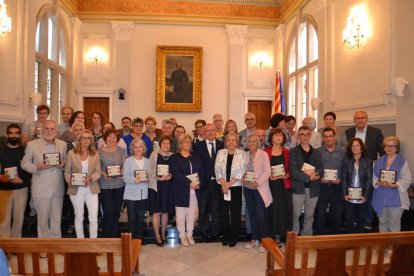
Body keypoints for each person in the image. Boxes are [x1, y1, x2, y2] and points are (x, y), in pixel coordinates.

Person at [21, 120, 67, 240]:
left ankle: (56, 245)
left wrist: (63, 165)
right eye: (46, 128)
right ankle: (44, 247)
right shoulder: (32, 144)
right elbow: (24, 164)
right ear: (42, 130)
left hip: (57, 188)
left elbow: (67, 163)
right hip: (40, 189)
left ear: (56, 131)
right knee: (42, 221)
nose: (49, 131)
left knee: (56, 219)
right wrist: (36, 167)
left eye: (52, 129)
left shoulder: (62, 144)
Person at [345, 110, 384, 229]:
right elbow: (346, 151)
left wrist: (377, 165)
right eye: (358, 118)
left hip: (369, 168)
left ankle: (366, 221)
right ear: (354, 120)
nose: (360, 120)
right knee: (351, 193)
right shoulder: (349, 132)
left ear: (366, 119)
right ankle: (351, 220)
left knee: (367, 194)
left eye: (363, 118)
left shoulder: (376, 132)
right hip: (352, 167)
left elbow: (382, 152)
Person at [64, 130, 101, 238]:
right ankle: (81, 242)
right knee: (79, 216)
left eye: (88, 138)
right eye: (83, 138)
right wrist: (70, 181)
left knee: (93, 217)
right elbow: (67, 172)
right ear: (79, 140)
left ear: (91, 140)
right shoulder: (71, 153)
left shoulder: (95, 154)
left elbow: (98, 172)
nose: (86, 140)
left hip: (91, 188)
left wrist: (91, 178)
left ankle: (93, 243)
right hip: (76, 189)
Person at [372, 136, 412, 233]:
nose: (390, 148)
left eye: (393, 146)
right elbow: (374, 176)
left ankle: (394, 247)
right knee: (382, 223)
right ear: (384, 147)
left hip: (396, 198)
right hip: (381, 197)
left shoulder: (402, 161)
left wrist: (396, 184)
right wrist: (378, 182)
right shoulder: (378, 161)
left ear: (397, 148)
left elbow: (407, 179)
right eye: (387, 146)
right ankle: (384, 246)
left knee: (394, 223)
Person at [289, 126, 323, 236]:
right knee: (295, 215)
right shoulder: (293, 152)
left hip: (313, 189)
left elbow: (321, 169)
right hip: (298, 188)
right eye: (302, 134)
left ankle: (306, 236)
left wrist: (314, 172)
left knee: (309, 215)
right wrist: (309, 177)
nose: (305, 136)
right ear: (298, 136)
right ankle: (294, 236)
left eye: (307, 134)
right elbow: (293, 171)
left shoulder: (317, 152)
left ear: (310, 136)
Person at [170, 134, 203, 247]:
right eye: (185, 142)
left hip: (194, 190)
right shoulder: (175, 157)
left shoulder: (195, 155)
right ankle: (182, 236)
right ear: (180, 144)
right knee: (180, 215)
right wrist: (190, 183)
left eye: (189, 142)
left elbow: (201, 170)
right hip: (180, 190)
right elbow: (176, 174)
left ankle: (190, 235)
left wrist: (198, 183)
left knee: (191, 214)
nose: (188, 144)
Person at [193, 123, 224, 242]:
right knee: (204, 208)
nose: (210, 133)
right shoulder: (198, 146)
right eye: (208, 131)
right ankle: (204, 233)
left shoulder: (221, 145)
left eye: (212, 130)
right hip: (204, 182)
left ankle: (215, 233)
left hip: (218, 182)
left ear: (216, 131)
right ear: (204, 133)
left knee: (216, 209)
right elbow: (196, 164)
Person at [214, 133, 246, 247]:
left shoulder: (242, 154)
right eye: (229, 140)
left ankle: (234, 236)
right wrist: (224, 184)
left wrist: (229, 184)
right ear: (226, 142)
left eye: (234, 140)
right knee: (223, 212)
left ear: (237, 143)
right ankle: (225, 236)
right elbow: (217, 169)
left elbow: (241, 170)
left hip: (235, 186)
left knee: (235, 213)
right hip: (222, 186)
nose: (231, 142)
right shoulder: (220, 153)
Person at [241, 134, 272, 253]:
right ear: (247, 143)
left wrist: (258, 182)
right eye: (249, 141)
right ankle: (254, 238)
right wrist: (242, 178)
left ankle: (262, 240)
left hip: (259, 188)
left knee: (260, 215)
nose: (251, 143)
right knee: (251, 213)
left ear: (258, 143)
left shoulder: (263, 154)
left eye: (254, 141)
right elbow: (242, 170)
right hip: (248, 188)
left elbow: (267, 171)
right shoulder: (245, 154)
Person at [0, 124, 31, 237]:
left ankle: (15, 247)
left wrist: (22, 181)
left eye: (16, 133)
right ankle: (4, 249)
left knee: (19, 219)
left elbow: (30, 171)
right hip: (3, 190)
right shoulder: (1, 150)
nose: (14, 135)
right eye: (11, 133)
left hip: (21, 189)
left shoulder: (25, 151)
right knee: (4, 221)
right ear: (7, 135)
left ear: (19, 135)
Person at [264, 128, 292, 243]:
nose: (279, 137)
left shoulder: (286, 152)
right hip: (270, 185)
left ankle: (281, 234)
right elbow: (262, 169)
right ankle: (272, 233)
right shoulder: (266, 152)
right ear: (271, 138)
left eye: (280, 135)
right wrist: (269, 175)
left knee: (283, 210)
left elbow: (290, 168)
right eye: (276, 135)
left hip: (283, 184)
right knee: (272, 209)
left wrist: (286, 175)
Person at [98, 128, 126, 238]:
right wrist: (102, 173)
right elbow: (95, 168)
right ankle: (105, 238)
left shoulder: (122, 151)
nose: (112, 139)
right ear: (105, 138)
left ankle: (113, 238)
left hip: (119, 184)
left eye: (114, 136)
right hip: (105, 185)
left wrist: (122, 172)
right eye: (109, 136)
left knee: (116, 212)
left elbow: (124, 166)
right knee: (108, 212)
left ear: (117, 139)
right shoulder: (99, 151)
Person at [317, 127, 346, 235]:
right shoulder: (318, 152)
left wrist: (340, 179)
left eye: (330, 136)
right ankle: (321, 238)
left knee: (337, 215)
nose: (328, 139)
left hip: (337, 188)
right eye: (326, 137)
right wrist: (320, 177)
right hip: (322, 188)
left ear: (335, 137)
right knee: (320, 214)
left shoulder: (343, 152)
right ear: (323, 138)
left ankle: (335, 239)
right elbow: (316, 168)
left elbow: (346, 169)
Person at [341, 138, 373, 233]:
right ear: (350, 148)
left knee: (360, 222)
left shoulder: (368, 161)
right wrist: (345, 194)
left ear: (361, 148)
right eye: (353, 146)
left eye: (357, 145)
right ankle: (351, 244)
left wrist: (365, 195)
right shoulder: (346, 161)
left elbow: (369, 179)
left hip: (362, 196)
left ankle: (358, 245)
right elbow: (343, 178)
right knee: (350, 221)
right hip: (349, 196)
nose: (355, 147)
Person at [148, 136, 174, 246]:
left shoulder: (173, 156)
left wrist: (171, 176)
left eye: (168, 143)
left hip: (168, 187)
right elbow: (150, 171)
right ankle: (157, 236)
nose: (166, 145)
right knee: (156, 212)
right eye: (164, 143)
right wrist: (159, 178)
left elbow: (176, 170)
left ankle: (163, 234)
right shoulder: (154, 155)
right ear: (160, 144)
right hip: (156, 186)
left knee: (165, 211)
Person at [123, 139, 149, 240]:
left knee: (141, 217)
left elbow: (150, 176)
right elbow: (125, 177)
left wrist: (148, 180)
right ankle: (132, 238)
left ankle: (139, 238)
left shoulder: (147, 161)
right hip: (131, 194)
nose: (138, 149)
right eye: (136, 147)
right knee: (132, 217)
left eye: (140, 146)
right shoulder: (128, 161)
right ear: (132, 149)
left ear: (143, 148)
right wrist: (134, 180)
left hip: (143, 193)